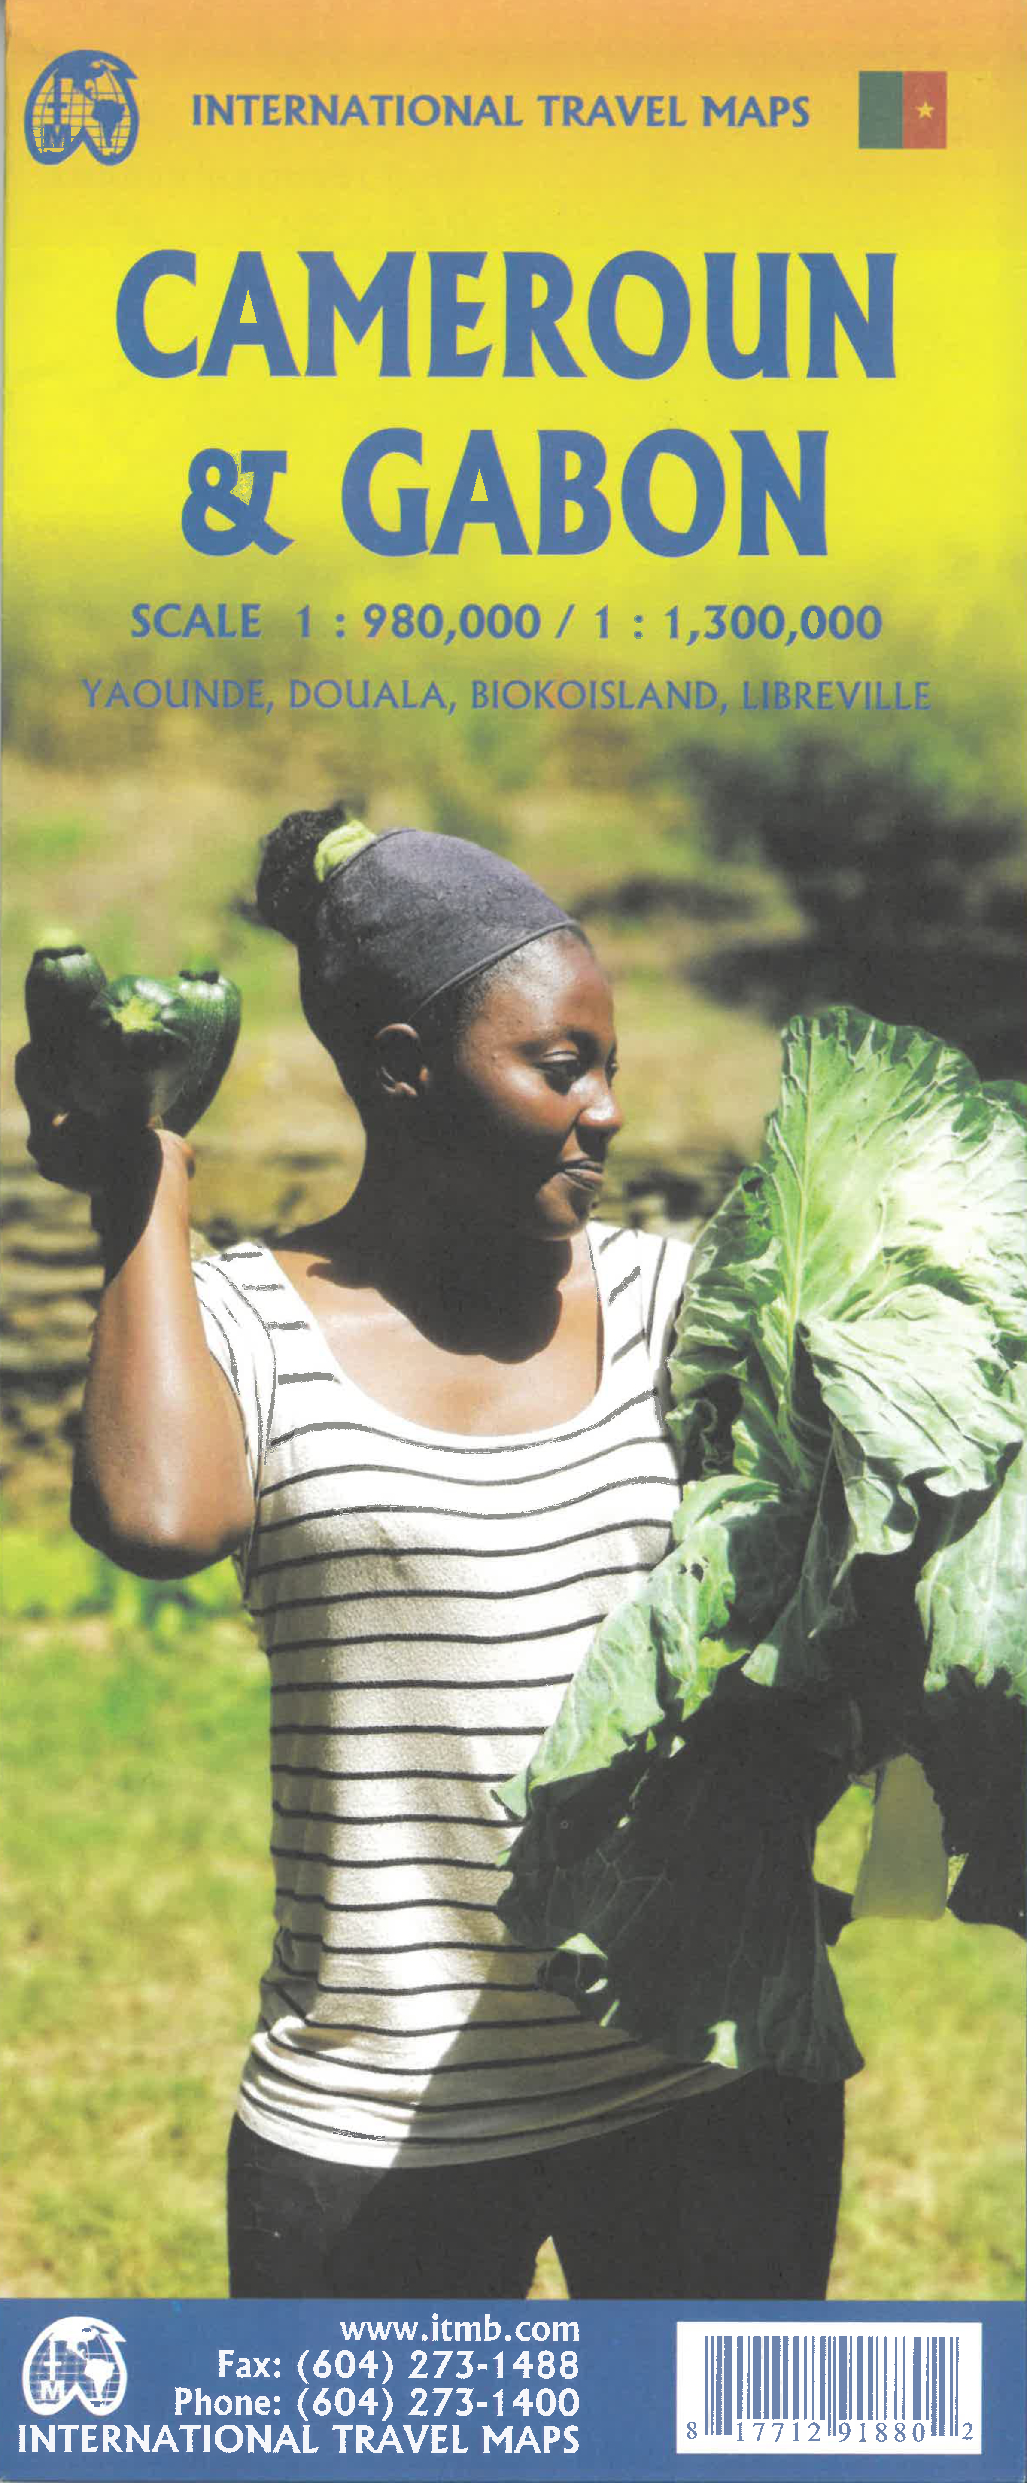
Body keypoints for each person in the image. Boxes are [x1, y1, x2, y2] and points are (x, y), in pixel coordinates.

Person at [26, 806, 844, 2300]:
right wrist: (141, 1175)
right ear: (403, 1065)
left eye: (609, 1068)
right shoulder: (243, 1328)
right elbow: (157, 1520)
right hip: (378, 2115)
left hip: (712, 2085)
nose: (605, 1110)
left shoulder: (683, 1311)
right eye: (559, 1066)